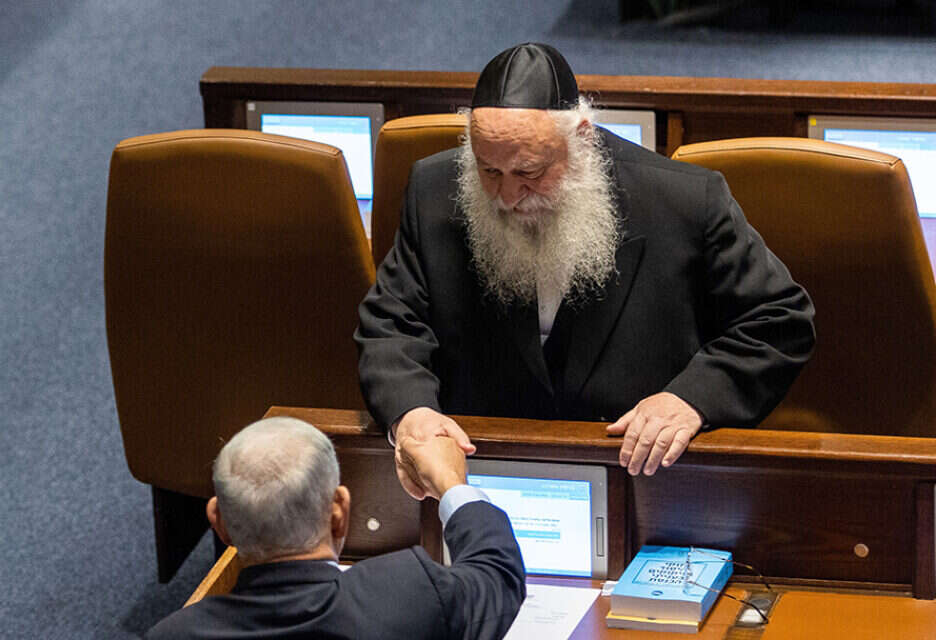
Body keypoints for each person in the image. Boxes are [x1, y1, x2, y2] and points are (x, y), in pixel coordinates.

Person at [355, 43, 815, 489]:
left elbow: (778, 320)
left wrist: (691, 399)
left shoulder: (685, 201)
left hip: (646, 477)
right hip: (483, 471)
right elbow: (392, 324)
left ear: (581, 138)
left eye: (529, 173)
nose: (506, 197)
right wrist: (410, 412)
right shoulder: (433, 191)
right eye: (488, 170)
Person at [145, 417, 525, 640]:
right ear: (339, 511)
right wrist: (450, 483)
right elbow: (498, 575)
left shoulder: (173, 634)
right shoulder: (409, 596)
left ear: (219, 524)